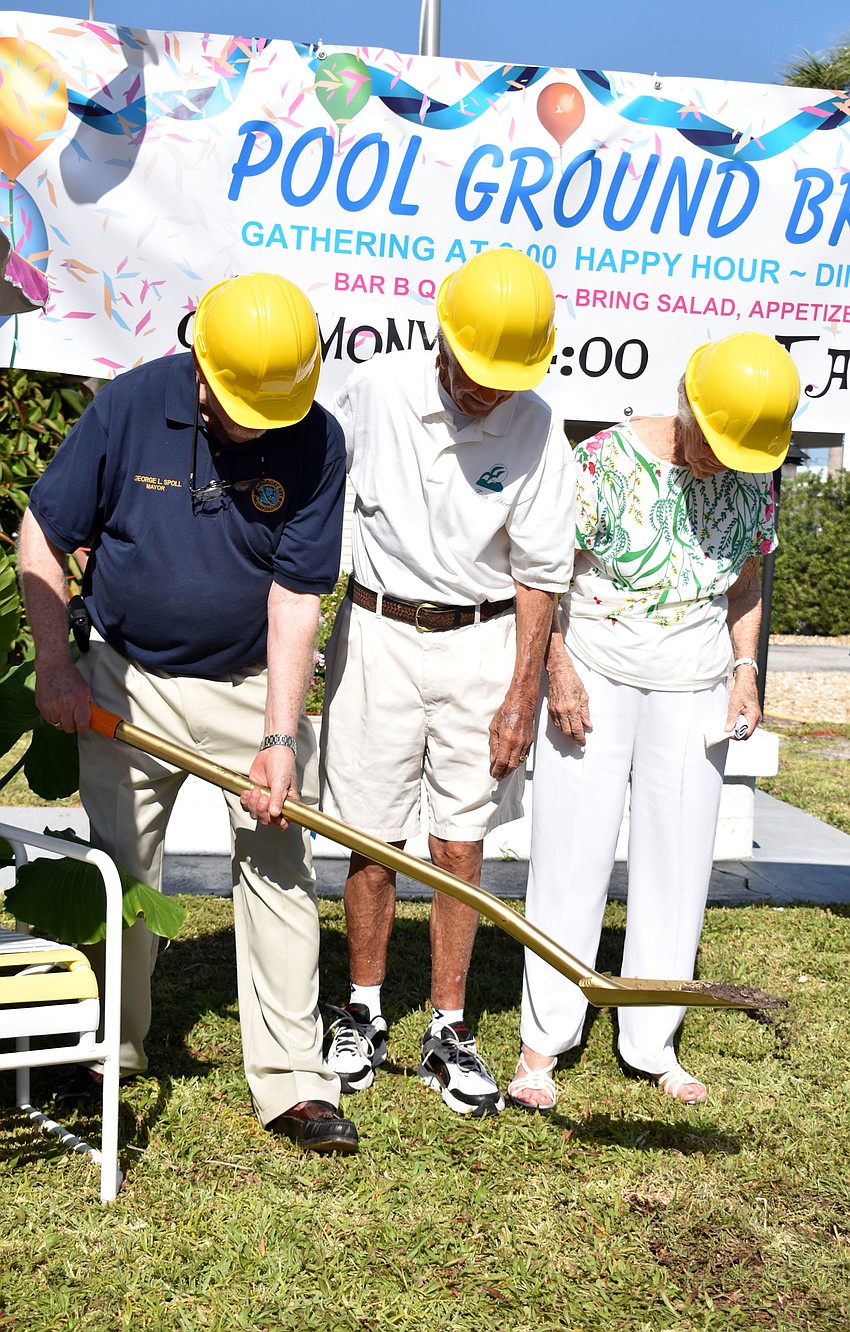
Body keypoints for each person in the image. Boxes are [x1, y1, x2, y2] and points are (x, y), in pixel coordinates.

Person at [19, 272, 359, 1154]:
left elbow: (296, 594)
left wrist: (280, 737)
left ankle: (294, 1080)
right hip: (127, 678)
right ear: (200, 364)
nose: (257, 427)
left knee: (280, 865)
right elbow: (44, 533)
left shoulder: (316, 437)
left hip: (251, 682)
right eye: (243, 409)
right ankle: (107, 1052)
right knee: (122, 869)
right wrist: (56, 665)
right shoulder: (130, 407)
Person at [507, 332, 800, 1113]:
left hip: (695, 684)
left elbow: (745, 581)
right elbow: (548, 576)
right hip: (594, 676)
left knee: (679, 861)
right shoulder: (601, 461)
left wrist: (746, 669)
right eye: (712, 443)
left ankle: (652, 1041)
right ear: (685, 403)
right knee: (572, 856)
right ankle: (544, 1041)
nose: (719, 462)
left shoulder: (754, 476)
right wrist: (556, 670)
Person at [319, 249, 575, 1116]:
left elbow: (540, 573)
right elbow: (321, 490)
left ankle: (449, 1026)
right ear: (443, 338)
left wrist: (521, 694)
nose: (488, 392)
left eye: (505, 380)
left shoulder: (538, 426)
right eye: (475, 372)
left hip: (481, 642)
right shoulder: (374, 389)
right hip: (377, 632)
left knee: (460, 843)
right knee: (371, 836)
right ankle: (362, 1011)